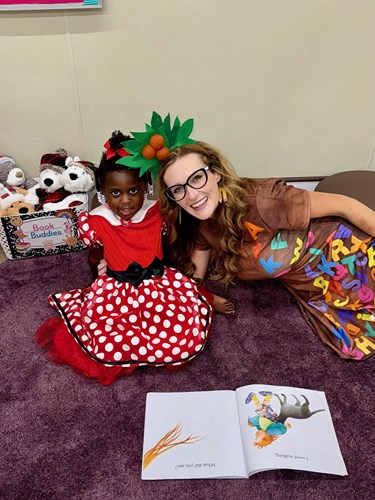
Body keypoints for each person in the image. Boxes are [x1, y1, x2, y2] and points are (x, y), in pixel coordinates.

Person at [157, 140, 375, 361]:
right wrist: (203, 297)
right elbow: (194, 277)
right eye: (178, 189)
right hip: (317, 284)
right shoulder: (199, 221)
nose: (191, 195)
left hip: (352, 253)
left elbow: (346, 205)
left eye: (196, 178)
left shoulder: (264, 199)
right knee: (353, 344)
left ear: (216, 173)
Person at [35, 131, 214, 385]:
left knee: (180, 332)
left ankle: (189, 304)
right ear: (102, 191)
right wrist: (96, 281)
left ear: (146, 187)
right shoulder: (96, 220)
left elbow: (167, 243)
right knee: (107, 339)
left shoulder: (156, 212)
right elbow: (94, 256)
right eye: (115, 193)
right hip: (116, 287)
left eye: (133, 190)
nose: (126, 200)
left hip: (157, 283)